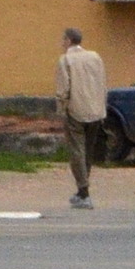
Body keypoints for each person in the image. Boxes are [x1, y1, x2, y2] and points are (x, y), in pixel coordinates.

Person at [55, 28, 108, 209]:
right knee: (88, 150)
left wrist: (61, 109)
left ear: (69, 40)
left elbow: (63, 89)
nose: (62, 43)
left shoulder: (65, 60)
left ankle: (84, 192)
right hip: (96, 110)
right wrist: (102, 106)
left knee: (77, 150)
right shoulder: (95, 57)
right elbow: (102, 83)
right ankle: (82, 190)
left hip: (76, 110)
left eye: (63, 39)